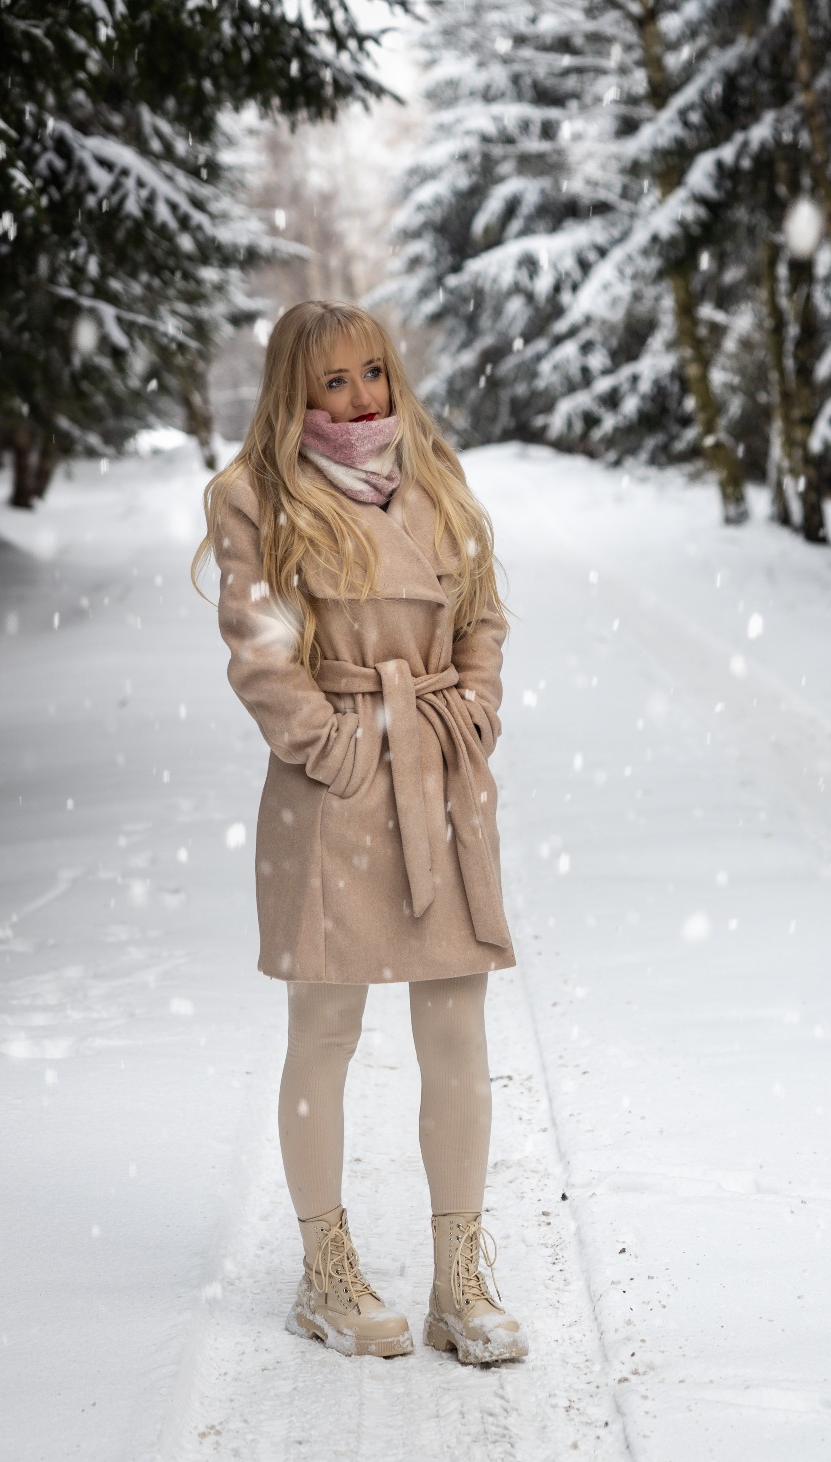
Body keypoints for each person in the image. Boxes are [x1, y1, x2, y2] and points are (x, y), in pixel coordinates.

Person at [194, 300, 526, 1364]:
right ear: (293, 390)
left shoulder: (432, 473)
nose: (358, 398)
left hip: (439, 770)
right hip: (330, 785)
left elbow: (480, 608)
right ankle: (324, 1273)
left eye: (371, 373)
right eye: (332, 381)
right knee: (325, 1030)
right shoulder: (255, 493)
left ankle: (458, 1280)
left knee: (456, 1031)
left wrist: (473, 701)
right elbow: (258, 648)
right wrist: (333, 750)